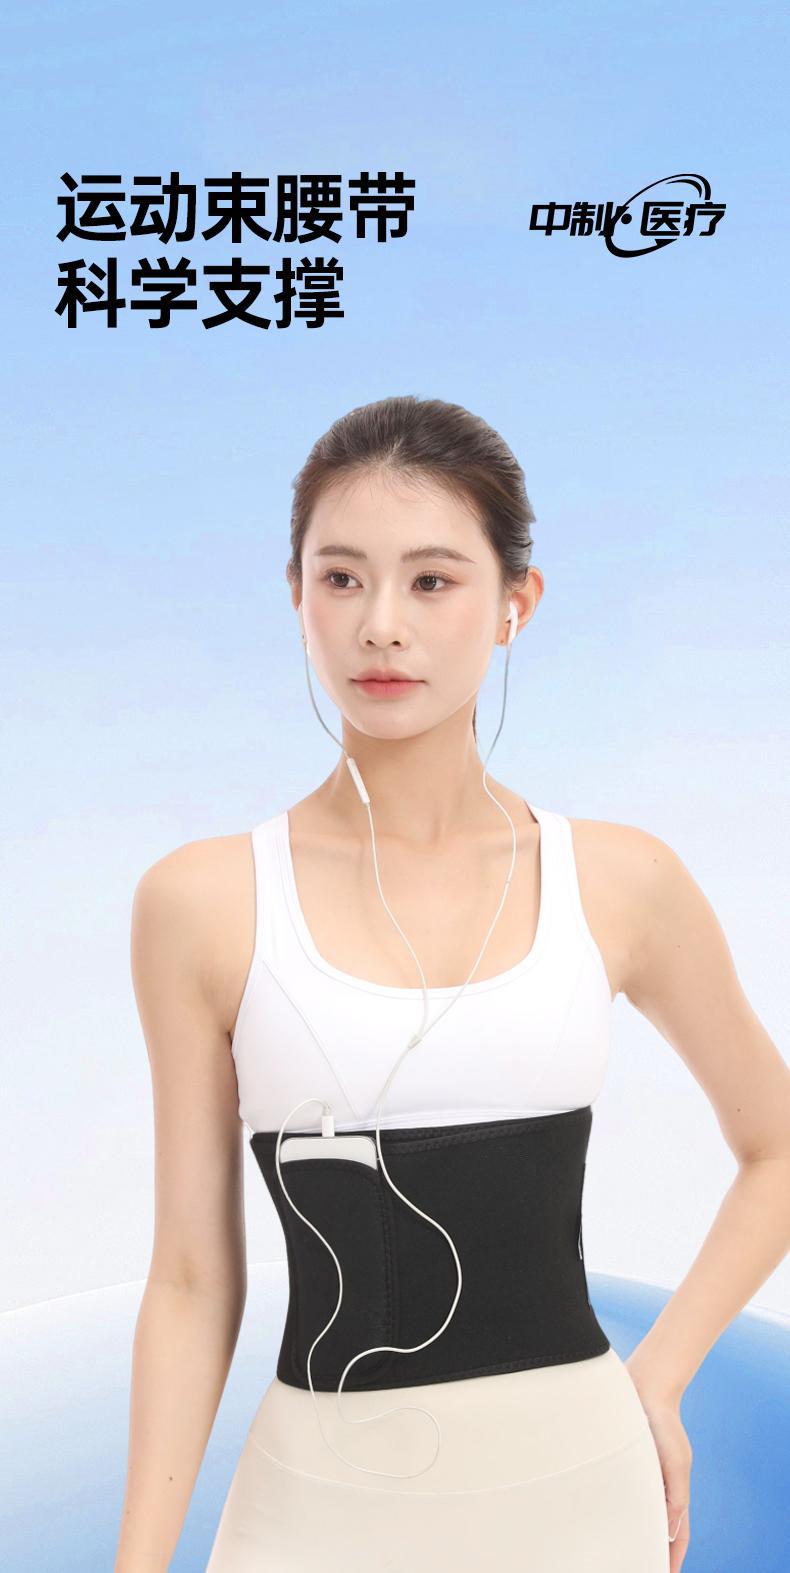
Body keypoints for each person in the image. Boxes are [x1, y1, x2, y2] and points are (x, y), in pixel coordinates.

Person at [115, 397, 790, 1573]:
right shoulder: (204, 902)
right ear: (296, 596)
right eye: (341, 578)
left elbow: (776, 1146)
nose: (380, 626)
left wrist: (660, 1373)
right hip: (310, 1511)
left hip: (580, 1499)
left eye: (431, 581)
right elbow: (187, 1278)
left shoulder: (619, 881)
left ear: (516, 602)